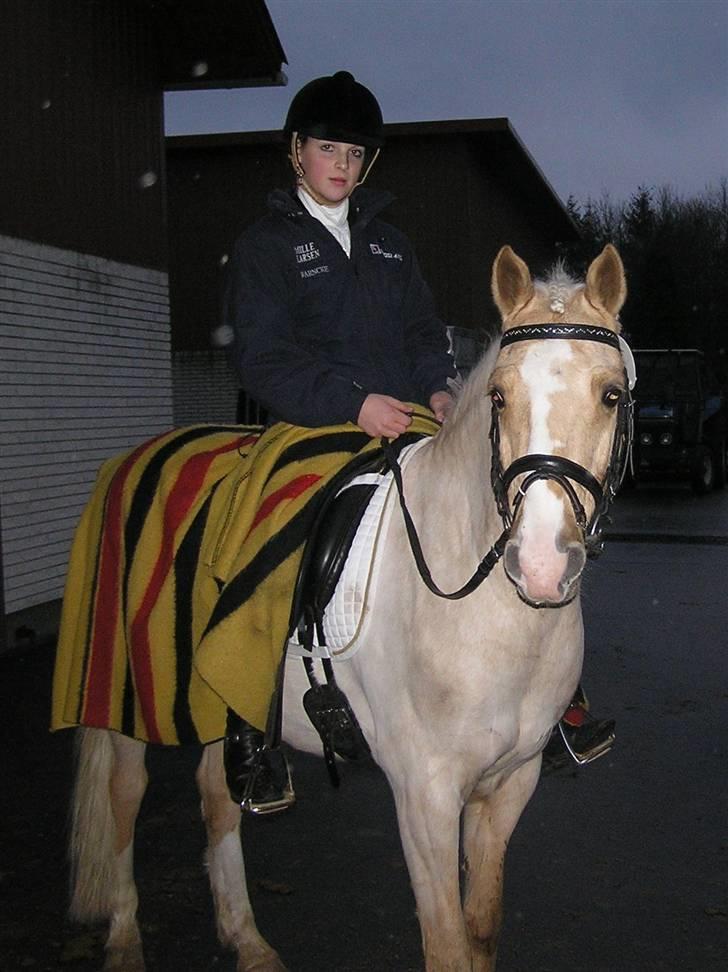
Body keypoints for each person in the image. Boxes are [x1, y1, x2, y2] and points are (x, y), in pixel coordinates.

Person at [222, 71, 614, 811]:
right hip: (312, 426)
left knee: (510, 500)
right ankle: (250, 723)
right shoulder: (266, 246)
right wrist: (352, 402)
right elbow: (262, 355)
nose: (341, 163)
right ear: (296, 152)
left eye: (356, 152)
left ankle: (556, 704)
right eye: (327, 148)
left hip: (406, 416)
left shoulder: (392, 246)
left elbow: (419, 336)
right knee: (270, 535)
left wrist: (439, 385)